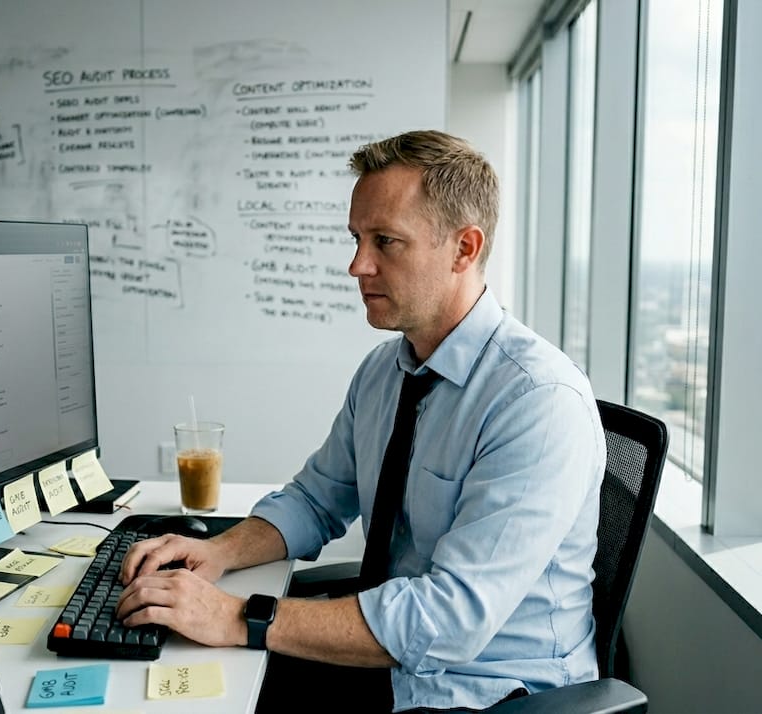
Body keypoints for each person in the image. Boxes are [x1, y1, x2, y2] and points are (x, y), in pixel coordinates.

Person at [115, 130, 605, 713]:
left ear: (463, 249)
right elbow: (316, 500)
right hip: (386, 663)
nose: (356, 265)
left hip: (487, 692)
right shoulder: (385, 372)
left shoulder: (537, 402)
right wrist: (219, 552)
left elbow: (450, 620)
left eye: (385, 242)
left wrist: (237, 615)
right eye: (356, 239)